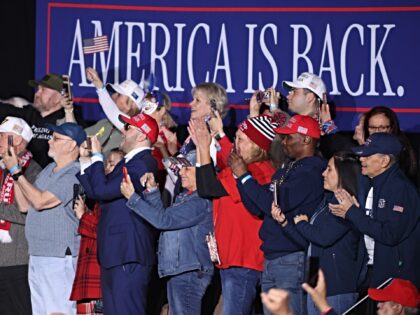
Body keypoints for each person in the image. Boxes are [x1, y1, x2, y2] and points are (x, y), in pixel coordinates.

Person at [231, 115, 326, 315]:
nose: (283, 142)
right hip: (274, 257)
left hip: (292, 256)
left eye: (288, 137)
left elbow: (275, 204)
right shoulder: (288, 168)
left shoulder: (311, 172)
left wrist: (245, 177)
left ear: (306, 139)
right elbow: (257, 207)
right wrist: (240, 178)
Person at [191, 115, 277, 315]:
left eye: (241, 140)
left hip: (243, 259)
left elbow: (207, 188)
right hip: (236, 259)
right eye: (235, 138)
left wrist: (204, 147)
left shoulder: (254, 170)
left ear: (257, 145)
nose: (235, 144)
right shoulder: (246, 168)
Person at [77, 112, 159, 315]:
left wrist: (97, 156)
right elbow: (96, 191)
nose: (123, 131)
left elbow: (101, 191)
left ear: (142, 136)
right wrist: (86, 160)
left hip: (128, 253)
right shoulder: (129, 163)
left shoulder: (142, 163)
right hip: (116, 253)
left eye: (129, 128)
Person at [2, 122, 86, 314]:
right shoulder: (49, 170)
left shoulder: (74, 173)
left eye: (56, 138)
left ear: (72, 145)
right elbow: (25, 205)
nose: (50, 140)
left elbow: (40, 201)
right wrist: (18, 173)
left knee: (58, 311)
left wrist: (16, 171)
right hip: (39, 253)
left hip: (58, 256)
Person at [271, 151, 365, 315]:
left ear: (343, 174)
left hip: (336, 290)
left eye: (329, 170)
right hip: (317, 286)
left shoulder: (347, 205)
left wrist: (302, 224)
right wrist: (285, 223)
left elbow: (323, 237)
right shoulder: (326, 201)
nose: (323, 173)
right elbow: (309, 242)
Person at [120, 158, 213, 315]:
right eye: (181, 168)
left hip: (189, 272)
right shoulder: (185, 198)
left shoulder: (200, 201)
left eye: (188, 169)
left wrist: (133, 198)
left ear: (203, 173)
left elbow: (163, 221)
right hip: (181, 270)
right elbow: (162, 219)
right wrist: (152, 190)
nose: (181, 172)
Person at [330, 133, 420, 289]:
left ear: (384, 161)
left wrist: (353, 213)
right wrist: (350, 214)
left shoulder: (399, 188)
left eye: (367, 155)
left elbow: (390, 234)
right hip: (378, 273)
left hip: (396, 281)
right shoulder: (376, 184)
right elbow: (371, 227)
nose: (361, 159)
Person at [70, 149, 124, 314]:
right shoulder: (103, 196)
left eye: (112, 164)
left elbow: (106, 231)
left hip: (100, 275)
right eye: (106, 163)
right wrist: (85, 157)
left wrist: (83, 217)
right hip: (90, 273)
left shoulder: (119, 196)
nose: (107, 167)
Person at [0, 117, 42, 315]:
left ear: (17, 141)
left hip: (17, 262)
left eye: (2, 136)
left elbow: (27, 213)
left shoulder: (33, 171)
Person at [0, 73, 87, 167]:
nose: (37, 93)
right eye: (38, 89)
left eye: (43, 90)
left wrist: (68, 110)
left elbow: (74, 137)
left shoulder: (67, 119)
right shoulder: (28, 113)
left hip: (49, 176)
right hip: (21, 172)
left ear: (58, 97)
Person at [362, 106, 418, 187]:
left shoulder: (401, 152)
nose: (377, 132)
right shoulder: (364, 148)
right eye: (372, 127)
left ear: (392, 128)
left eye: (383, 127)